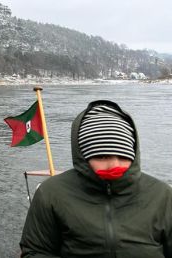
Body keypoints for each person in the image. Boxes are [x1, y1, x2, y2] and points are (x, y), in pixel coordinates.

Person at [20, 100, 172, 257]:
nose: (113, 164)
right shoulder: (50, 194)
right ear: (84, 157)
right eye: (102, 156)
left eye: (123, 156)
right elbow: (35, 252)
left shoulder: (163, 196)